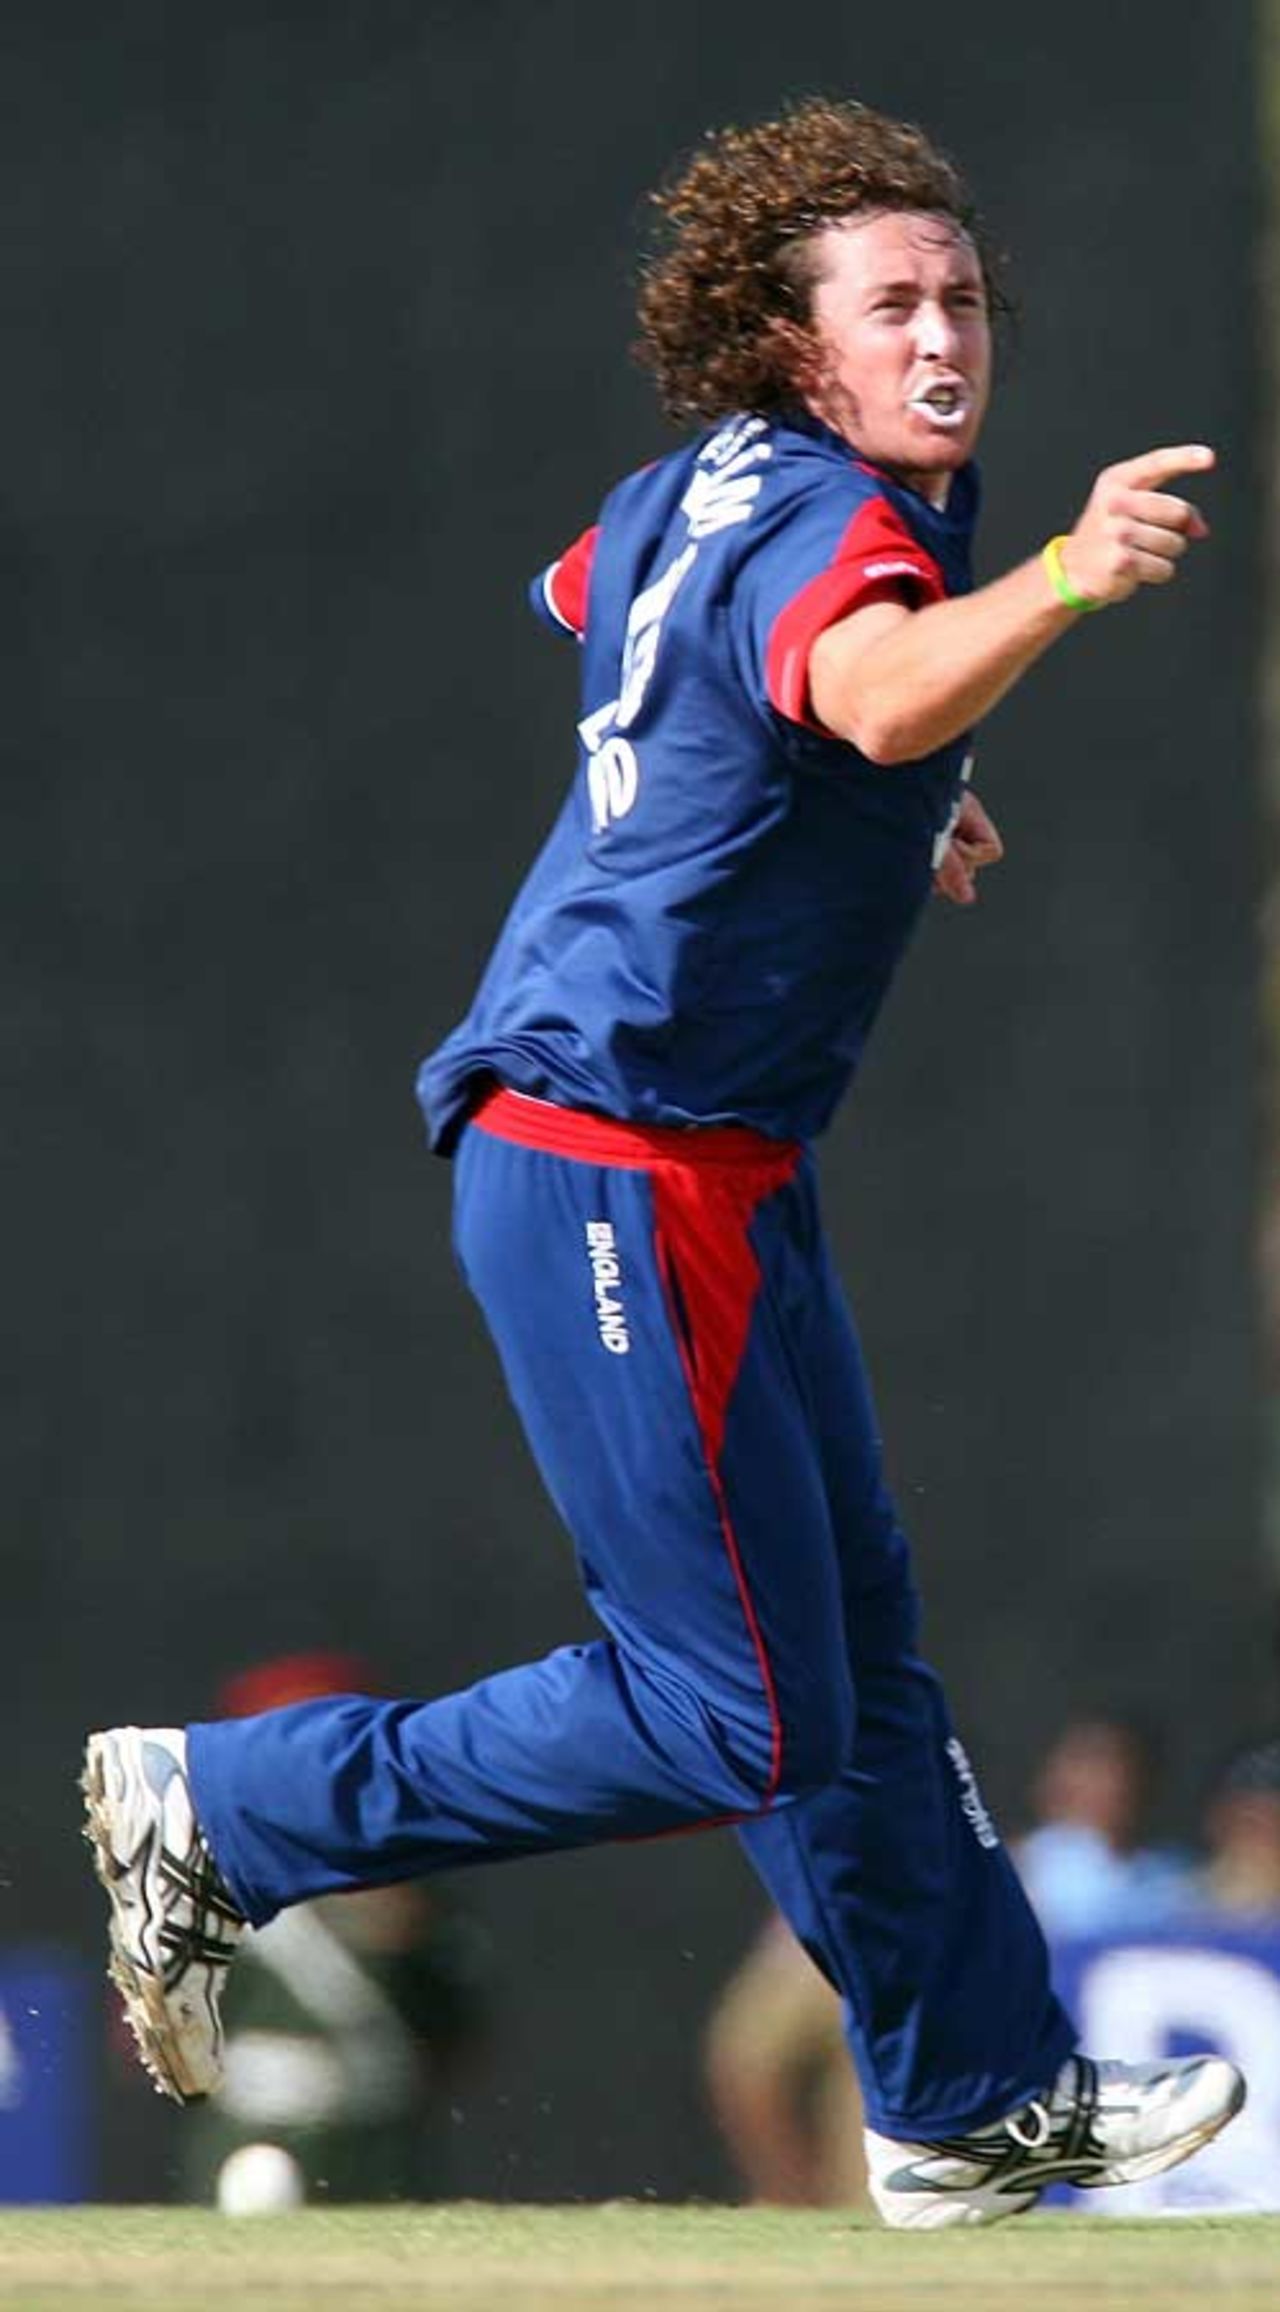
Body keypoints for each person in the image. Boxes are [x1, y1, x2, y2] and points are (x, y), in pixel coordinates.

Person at [82, 96, 1245, 2229]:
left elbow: (611, 621)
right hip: (620, 1162)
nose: (941, 334)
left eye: (962, 295)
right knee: (733, 1716)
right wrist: (1054, 584)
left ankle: (968, 2100)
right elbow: (877, 693)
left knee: (854, 1663)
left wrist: (847, 795)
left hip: (707, 1164)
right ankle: (234, 1806)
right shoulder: (845, 520)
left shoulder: (694, 487)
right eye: (889, 303)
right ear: (791, 348)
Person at [176, 1652, 491, 2207]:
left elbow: (458, 2027)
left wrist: (403, 1940)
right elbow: (153, 2037)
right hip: (251, 2141)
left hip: (379, 2151)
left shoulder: (411, 1878)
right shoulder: (205, 1878)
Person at [1014, 1715, 1195, 1939]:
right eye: (1076, 1764)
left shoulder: (1171, 1876)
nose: (1081, 1781)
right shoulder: (1017, 1871)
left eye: (1102, 1765)